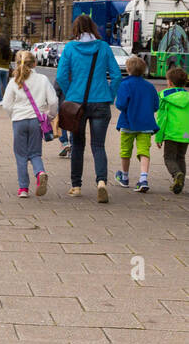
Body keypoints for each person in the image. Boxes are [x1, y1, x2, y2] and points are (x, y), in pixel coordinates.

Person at [55, 13, 123, 202]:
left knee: (77, 145)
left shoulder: (70, 48)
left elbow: (61, 77)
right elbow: (117, 76)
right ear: (93, 28)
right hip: (101, 101)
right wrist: (109, 95)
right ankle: (101, 182)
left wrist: (71, 94)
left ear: (75, 29)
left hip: (77, 104)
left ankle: (76, 186)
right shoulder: (103, 47)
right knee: (98, 145)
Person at [1, 50, 58, 198]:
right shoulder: (43, 79)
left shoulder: (14, 81)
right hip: (36, 121)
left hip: (19, 121)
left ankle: (23, 189)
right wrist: (50, 116)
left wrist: (13, 115)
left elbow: (6, 104)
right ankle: (40, 172)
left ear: (17, 63)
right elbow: (53, 101)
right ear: (35, 63)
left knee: (20, 155)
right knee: (35, 153)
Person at [114, 56, 158, 192]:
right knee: (144, 150)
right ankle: (143, 178)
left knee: (126, 150)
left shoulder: (125, 84)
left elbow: (120, 104)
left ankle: (125, 177)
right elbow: (156, 105)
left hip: (128, 123)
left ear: (128, 69)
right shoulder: (150, 86)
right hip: (145, 124)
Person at [155, 65, 189, 194]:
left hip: (171, 133)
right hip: (186, 134)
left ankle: (177, 175)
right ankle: (180, 183)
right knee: (181, 157)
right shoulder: (188, 97)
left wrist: (159, 137)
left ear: (169, 82)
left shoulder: (164, 96)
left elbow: (162, 119)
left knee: (169, 157)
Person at [0, 35, 14, 105]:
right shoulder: (9, 51)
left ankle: (0, 100)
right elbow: (10, 60)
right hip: (6, 69)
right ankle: (6, 100)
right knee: (5, 85)